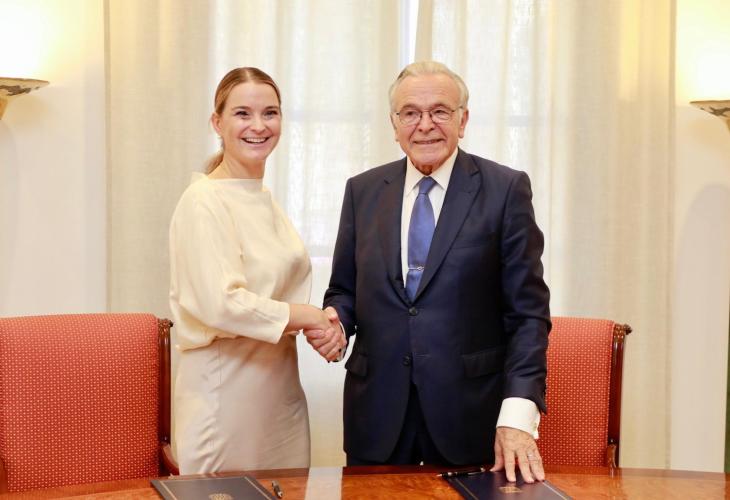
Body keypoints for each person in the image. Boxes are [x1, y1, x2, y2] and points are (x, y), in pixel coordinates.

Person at [323, 61, 551, 483]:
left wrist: (519, 414)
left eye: (440, 111)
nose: (425, 125)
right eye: (410, 113)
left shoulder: (505, 190)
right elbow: (344, 290)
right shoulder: (362, 190)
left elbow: (528, 316)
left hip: (470, 417)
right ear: (394, 124)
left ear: (463, 120)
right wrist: (336, 322)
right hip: (375, 417)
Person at [169, 67, 345, 474]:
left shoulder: (263, 197)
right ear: (217, 123)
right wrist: (307, 316)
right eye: (242, 113)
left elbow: (278, 294)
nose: (259, 126)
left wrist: (324, 324)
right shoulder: (202, 200)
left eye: (270, 113)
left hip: (280, 395)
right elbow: (221, 304)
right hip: (225, 396)